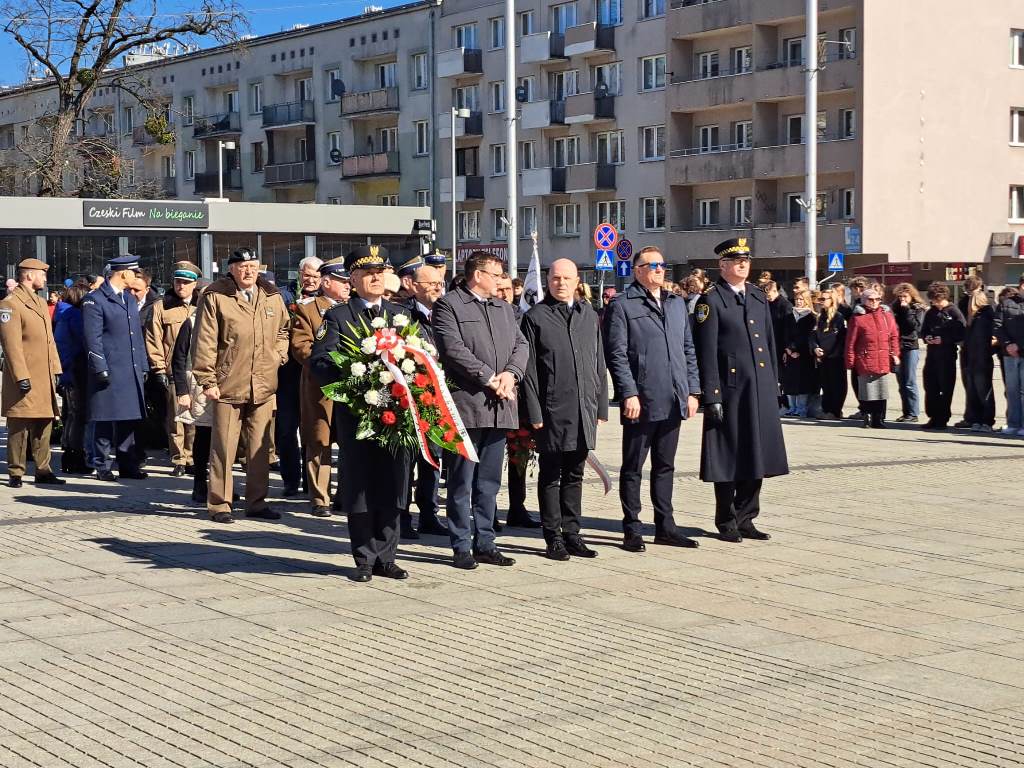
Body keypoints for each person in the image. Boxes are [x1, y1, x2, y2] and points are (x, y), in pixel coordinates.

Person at [311, 245, 414, 582]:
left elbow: (421, 357)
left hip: (396, 417)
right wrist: (354, 377)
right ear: (352, 279)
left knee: (393, 484)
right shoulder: (338, 317)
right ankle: (365, 558)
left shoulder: (401, 315)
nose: (374, 277)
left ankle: (388, 556)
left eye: (380, 271)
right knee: (361, 487)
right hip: (358, 417)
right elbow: (321, 362)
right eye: (367, 272)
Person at [433, 250, 529, 569]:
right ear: (478, 275)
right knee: (462, 481)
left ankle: (485, 541)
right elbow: (452, 350)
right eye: (497, 274)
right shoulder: (450, 305)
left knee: (488, 482)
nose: (502, 280)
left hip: (500, 405)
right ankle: (461, 544)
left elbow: (521, 345)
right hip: (468, 406)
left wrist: (510, 374)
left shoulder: (504, 309)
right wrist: (489, 378)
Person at [603, 246, 701, 552]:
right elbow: (616, 354)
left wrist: (693, 390)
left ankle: (665, 526)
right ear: (638, 270)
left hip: (674, 397)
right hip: (642, 399)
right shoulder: (623, 305)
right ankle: (632, 527)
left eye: (662, 265)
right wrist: (628, 392)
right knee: (633, 466)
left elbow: (688, 349)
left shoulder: (675, 303)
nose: (660, 270)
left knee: (665, 465)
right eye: (653, 265)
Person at [693, 239, 787, 542]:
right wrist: (712, 395)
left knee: (756, 453)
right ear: (723, 266)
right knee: (728, 456)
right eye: (736, 261)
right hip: (731, 391)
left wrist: (775, 385)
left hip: (758, 388)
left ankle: (748, 517)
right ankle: (727, 520)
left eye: (746, 260)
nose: (743, 265)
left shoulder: (758, 297)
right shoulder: (712, 299)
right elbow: (705, 351)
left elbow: (770, 345)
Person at [192, 247, 290, 524]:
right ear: (231, 269)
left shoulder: (271, 295)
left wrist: (278, 356)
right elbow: (205, 340)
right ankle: (220, 503)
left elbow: (284, 329)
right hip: (227, 384)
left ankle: (257, 502)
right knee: (223, 447)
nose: (248, 271)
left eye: (253, 266)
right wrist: (207, 380)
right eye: (242, 266)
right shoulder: (216, 296)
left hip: (263, 383)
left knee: (259, 447)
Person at [522, 259, 607, 561]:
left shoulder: (588, 315)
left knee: (576, 474)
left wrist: (601, 405)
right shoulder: (536, 317)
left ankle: (573, 533)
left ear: (577, 280)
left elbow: (599, 362)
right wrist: (534, 412)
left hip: (584, 409)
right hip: (552, 410)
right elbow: (529, 371)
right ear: (547, 280)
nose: (561, 283)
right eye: (555, 278)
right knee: (551, 475)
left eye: (566, 278)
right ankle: (553, 536)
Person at [82, 256, 150, 481]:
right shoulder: (95, 300)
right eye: (134, 273)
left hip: (129, 369)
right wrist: (99, 367)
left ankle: (127, 464)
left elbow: (136, 337)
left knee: (129, 418)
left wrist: (142, 364)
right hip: (109, 369)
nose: (136, 277)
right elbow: (93, 338)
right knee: (104, 418)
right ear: (123, 274)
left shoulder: (128, 299)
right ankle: (102, 465)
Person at [0, 258, 64, 488]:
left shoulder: (38, 302)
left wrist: (56, 369)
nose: (45, 278)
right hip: (25, 376)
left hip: (44, 375)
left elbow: (50, 341)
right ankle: (16, 472)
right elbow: (11, 345)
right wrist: (21, 376)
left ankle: (43, 469)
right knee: (19, 425)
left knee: (44, 423)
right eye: (42, 274)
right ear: (29, 275)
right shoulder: (10, 304)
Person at [291, 256, 347, 518]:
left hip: (352, 387)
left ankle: (345, 494)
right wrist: (327, 363)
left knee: (350, 440)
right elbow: (301, 347)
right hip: (319, 386)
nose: (348, 285)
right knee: (319, 440)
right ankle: (320, 497)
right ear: (326, 282)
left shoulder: (352, 308)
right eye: (341, 281)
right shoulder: (308, 309)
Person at [493, 268, 540, 530]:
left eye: (507, 290)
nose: (503, 294)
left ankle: (517, 506)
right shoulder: (485, 315)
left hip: (519, 397)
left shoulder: (524, 318)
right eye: (498, 289)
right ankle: (488, 510)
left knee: (518, 455)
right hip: (490, 395)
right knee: (486, 458)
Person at [144, 261, 201, 477]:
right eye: (178, 281)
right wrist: (159, 368)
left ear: (195, 284)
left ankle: (194, 456)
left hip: (197, 370)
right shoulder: (162, 306)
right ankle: (179, 459)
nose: (181, 286)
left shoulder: (203, 305)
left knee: (197, 417)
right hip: (172, 370)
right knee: (176, 418)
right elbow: (153, 339)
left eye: (186, 282)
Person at [170, 286, 212, 504]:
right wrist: (182, 391)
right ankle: (199, 484)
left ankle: (219, 485)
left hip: (221, 386)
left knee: (222, 439)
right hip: (197, 385)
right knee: (202, 436)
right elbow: (178, 359)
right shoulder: (192, 322)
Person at [844, 287, 899, 428]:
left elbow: (893, 337)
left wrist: (895, 355)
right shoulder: (858, 318)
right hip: (865, 359)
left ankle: (879, 419)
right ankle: (867, 417)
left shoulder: (887, 316)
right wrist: (850, 361)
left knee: (881, 391)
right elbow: (851, 342)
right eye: (871, 299)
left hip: (883, 358)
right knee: (867, 391)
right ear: (864, 301)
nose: (874, 302)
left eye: (877, 299)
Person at [54, 279, 91, 474]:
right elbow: (85, 340)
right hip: (76, 368)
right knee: (79, 416)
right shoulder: (75, 316)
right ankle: (76, 456)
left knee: (71, 416)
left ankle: (69, 455)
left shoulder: (62, 314)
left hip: (67, 370)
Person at [920, 283, 967, 431]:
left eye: (938, 300)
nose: (935, 303)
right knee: (930, 385)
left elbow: (961, 332)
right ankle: (933, 416)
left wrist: (944, 339)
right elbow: (924, 330)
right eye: (933, 300)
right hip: (932, 353)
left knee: (945, 387)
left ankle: (942, 418)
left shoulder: (954, 312)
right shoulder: (931, 312)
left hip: (947, 354)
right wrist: (927, 337)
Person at [962, 287, 996, 432]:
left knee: (984, 391)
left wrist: (989, 349)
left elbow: (994, 336)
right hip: (971, 358)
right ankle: (976, 419)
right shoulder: (973, 318)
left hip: (983, 359)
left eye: (971, 302)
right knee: (973, 391)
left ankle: (987, 421)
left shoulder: (987, 315)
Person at [890, 283, 926, 423]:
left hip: (911, 346)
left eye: (905, 296)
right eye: (900, 297)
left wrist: (906, 310)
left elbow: (915, 327)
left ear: (911, 296)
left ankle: (913, 412)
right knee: (901, 381)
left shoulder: (917, 308)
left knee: (910, 381)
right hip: (898, 347)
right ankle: (906, 412)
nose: (902, 299)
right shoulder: (895, 308)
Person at [811, 290, 848, 419]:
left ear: (831, 300)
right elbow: (813, 336)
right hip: (822, 358)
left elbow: (841, 339)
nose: (821, 302)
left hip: (835, 357)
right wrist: (815, 348)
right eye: (820, 299)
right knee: (825, 384)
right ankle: (826, 409)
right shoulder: (819, 317)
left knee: (836, 385)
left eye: (824, 299)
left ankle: (835, 410)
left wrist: (829, 353)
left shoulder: (838, 317)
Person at [781, 289, 817, 418]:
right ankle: (792, 407)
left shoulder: (811, 317)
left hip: (804, 354)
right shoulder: (790, 315)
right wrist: (788, 349)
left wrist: (798, 350)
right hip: (790, 353)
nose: (799, 301)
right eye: (797, 299)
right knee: (790, 382)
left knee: (802, 382)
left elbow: (808, 336)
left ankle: (801, 408)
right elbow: (785, 334)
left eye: (801, 299)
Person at [994, 279, 1024, 436]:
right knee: (1011, 390)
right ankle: (1013, 423)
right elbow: (997, 325)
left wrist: (1019, 345)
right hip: (1009, 354)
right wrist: (1007, 344)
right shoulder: (1006, 304)